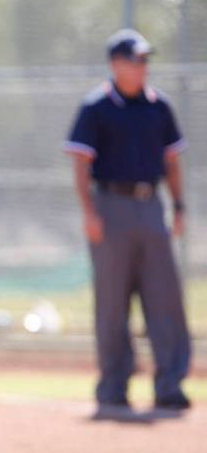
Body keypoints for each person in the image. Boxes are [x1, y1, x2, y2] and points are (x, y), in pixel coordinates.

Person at [64, 29, 191, 417]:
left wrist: (179, 206)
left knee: (164, 299)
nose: (142, 67)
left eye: (145, 60)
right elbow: (82, 165)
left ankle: (170, 385)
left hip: (151, 205)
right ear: (116, 64)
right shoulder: (97, 106)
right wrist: (89, 212)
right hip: (111, 205)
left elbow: (171, 161)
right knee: (112, 303)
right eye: (136, 60)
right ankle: (113, 387)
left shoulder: (158, 105)